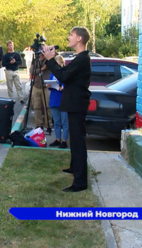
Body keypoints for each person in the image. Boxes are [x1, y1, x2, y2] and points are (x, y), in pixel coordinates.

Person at [43, 26, 92, 192]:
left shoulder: (83, 58)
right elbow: (65, 72)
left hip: (77, 104)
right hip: (74, 103)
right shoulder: (79, 58)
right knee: (74, 140)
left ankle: (80, 182)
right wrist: (52, 59)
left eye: (71, 35)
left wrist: (50, 60)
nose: (69, 37)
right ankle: (74, 167)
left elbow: (63, 76)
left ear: (79, 38)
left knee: (78, 142)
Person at [46, 55, 69, 149]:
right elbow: (51, 83)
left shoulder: (65, 73)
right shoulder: (53, 73)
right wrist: (49, 85)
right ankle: (58, 138)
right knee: (56, 121)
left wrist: (63, 87)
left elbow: (67, 84)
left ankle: (64, 140)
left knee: (65, 121)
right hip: (54, 99)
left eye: (58, 63)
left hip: (63, 100)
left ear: (62, 63)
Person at [30, 51, 52, 130]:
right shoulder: (35, 60)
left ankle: (48, 124)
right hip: (36, 86)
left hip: (45, 86)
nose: (41, 52)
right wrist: (41, 69)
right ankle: (39, 124)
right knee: (36, 106)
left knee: (47, 106)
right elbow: (32, 72)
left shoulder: (48, 60)